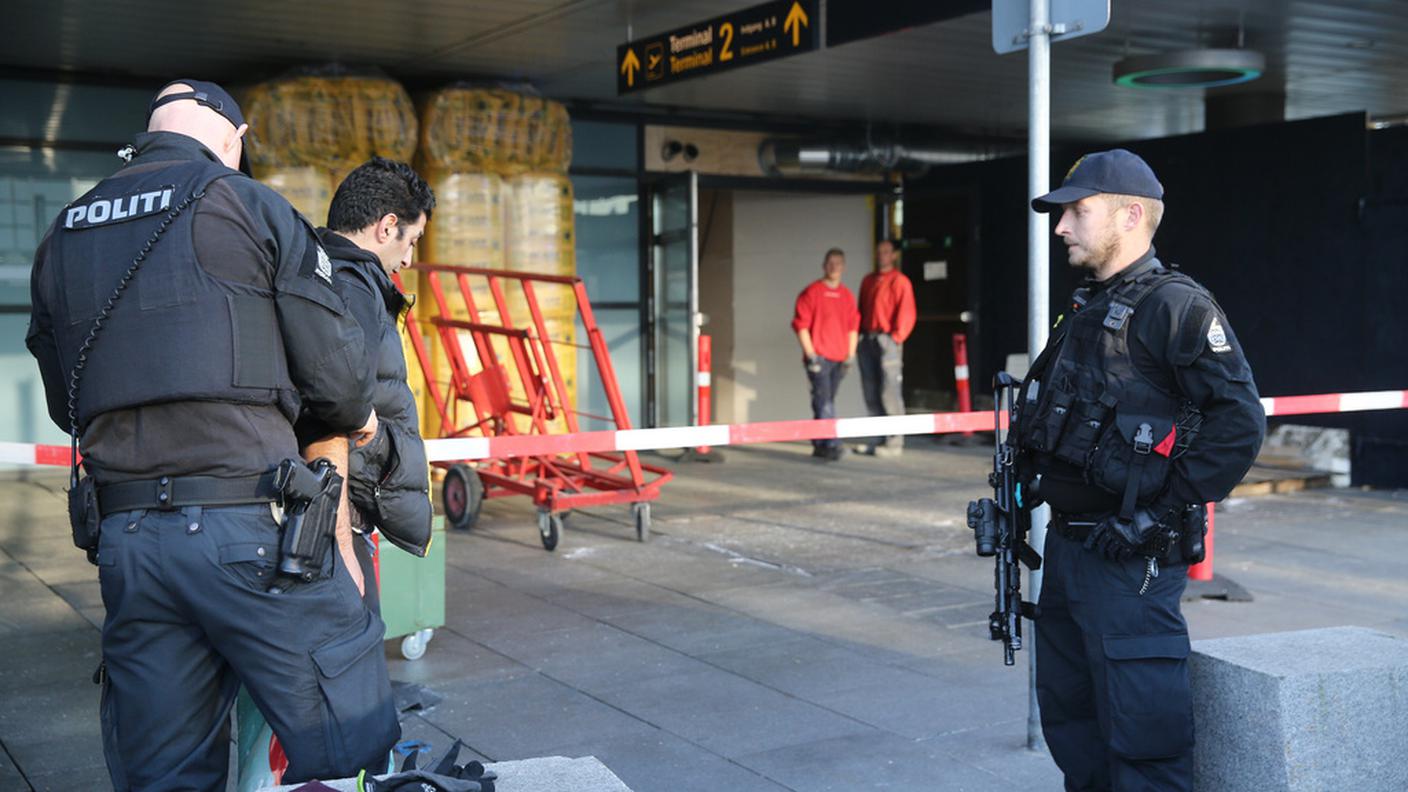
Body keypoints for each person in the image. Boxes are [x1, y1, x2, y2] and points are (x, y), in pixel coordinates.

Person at [25, 79, 399, 789]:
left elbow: (63, 401)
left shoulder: (65, 230)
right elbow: (343, 384)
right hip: (253, 530)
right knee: (354, 725)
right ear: (235, 136)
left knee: (164, 774)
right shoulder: (248, 203)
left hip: (129, 541)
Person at [1018, 149, 1266, 791]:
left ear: (1130, 215)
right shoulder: (1090, 306)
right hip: (1073, 549)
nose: (1061, 227)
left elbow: (1240, 423)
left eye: (1077, 210)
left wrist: (1158, 511)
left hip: (1131, 559)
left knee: (1143, 737)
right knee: (1075, 726)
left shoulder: (1174, 307)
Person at [319, 157, 437, 612]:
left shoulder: (319, 273)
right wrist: (343, 537)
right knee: (356, 659)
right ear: (388, 227)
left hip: (332, 512)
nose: (408, 258)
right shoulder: (355, 287)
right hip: (336, 518)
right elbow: (331, 413)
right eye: (413, 240)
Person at [791, 247, 860, 461]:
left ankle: (820, 444)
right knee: (825, 401)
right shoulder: (812, 292)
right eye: (830, 263)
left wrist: (850, 355)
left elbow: (852, 327)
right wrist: (811, 355)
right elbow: (801, 325)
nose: (834, 267)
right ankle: (831, 443)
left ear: (843, 267)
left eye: (838, 263)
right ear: (824, 266)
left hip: (840, 358)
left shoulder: (847, 296)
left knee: (824, 400)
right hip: (819, 358)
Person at [855, 238, 916, 457]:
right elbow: (860, 310)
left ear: (894, 255)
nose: (882, 255)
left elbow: (907, 313)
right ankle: (877, 439)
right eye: (879, 251)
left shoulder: (900, 281)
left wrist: (896, 339)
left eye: (886, 252)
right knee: (871, 392)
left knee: (889, 391)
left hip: (887, 340)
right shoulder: (868, 281)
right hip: (867, 339)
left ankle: (894, 443)